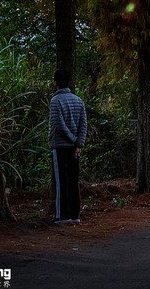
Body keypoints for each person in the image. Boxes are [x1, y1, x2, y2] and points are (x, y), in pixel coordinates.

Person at [49, 69, 87, 223]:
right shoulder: (79, 101)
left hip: (60, 146)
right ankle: (74, 215)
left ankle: (62, 216)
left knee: (61, 181)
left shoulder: (55, 101)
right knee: (73, 179)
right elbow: (83, 124)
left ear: (56, 82)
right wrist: (78, 145)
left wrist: (71, 139)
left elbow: (58, 124)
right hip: (74, 148)